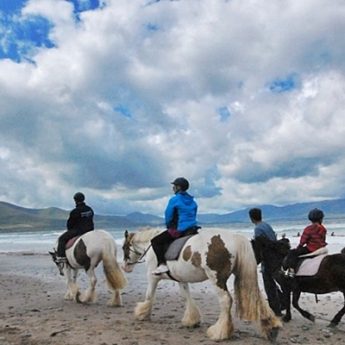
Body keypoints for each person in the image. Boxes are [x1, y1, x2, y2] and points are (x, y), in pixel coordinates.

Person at [151, 177, 198, 275]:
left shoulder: (174, 200)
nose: (173, 188)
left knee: (155, 241)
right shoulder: (193, 201)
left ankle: (162, 264)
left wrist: (169, 227)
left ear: (179, 187)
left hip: (180, 230)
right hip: (193, 229)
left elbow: (168, 216)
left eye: (174, 186)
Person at [249, 207, 283, 317]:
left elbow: (260, 246)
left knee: (269, 284)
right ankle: (282, 303)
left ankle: (275, 310)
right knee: (274, 281)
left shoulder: (258, 229)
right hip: (276, 256)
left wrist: (256, 262)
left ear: (251, 218)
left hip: (268, 258)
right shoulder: (266, 225)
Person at [284, 208, 327, 277]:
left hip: (311, 249)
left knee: (292, 253)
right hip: (321, 248)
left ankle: (291, 271)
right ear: (321, 219)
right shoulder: (323, 228)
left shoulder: (308, 228)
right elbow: (323, 239)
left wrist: (298, 248)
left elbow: (303, 241)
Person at [56, 192, 94, 263]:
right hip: (90, 230)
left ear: (75, 200)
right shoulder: (90, 209)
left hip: (79, 231)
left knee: (61, 239)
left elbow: (70, 225)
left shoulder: (75, 211)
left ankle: (61, 257)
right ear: (83, 199)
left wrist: (70, 231)